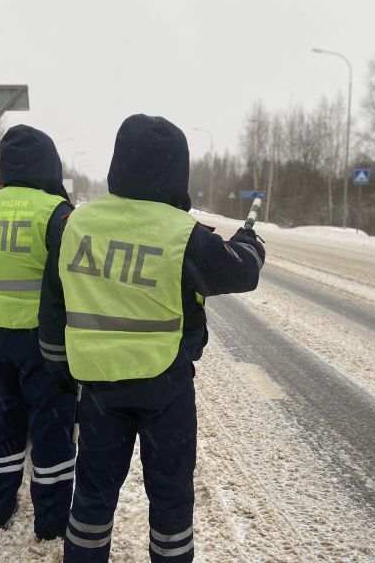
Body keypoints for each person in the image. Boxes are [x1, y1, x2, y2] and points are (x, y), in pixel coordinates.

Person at [38, 114, 265, 562]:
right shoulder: (183, 234)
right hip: (166, 389)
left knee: (93, 497)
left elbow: (53, 308)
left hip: (100, 388)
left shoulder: (74, 226)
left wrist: (59, 368)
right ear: (177, 171)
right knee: (171, 497)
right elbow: (242, 271)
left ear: (118, 164)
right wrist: (250, 242)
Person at [0, 124, 77, 539]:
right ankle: (52, 520)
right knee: (51, 430)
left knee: (4, 424)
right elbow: (70, 284)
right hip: (46, 346)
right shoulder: (56, 213)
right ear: (49, 164)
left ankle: (0, 508)